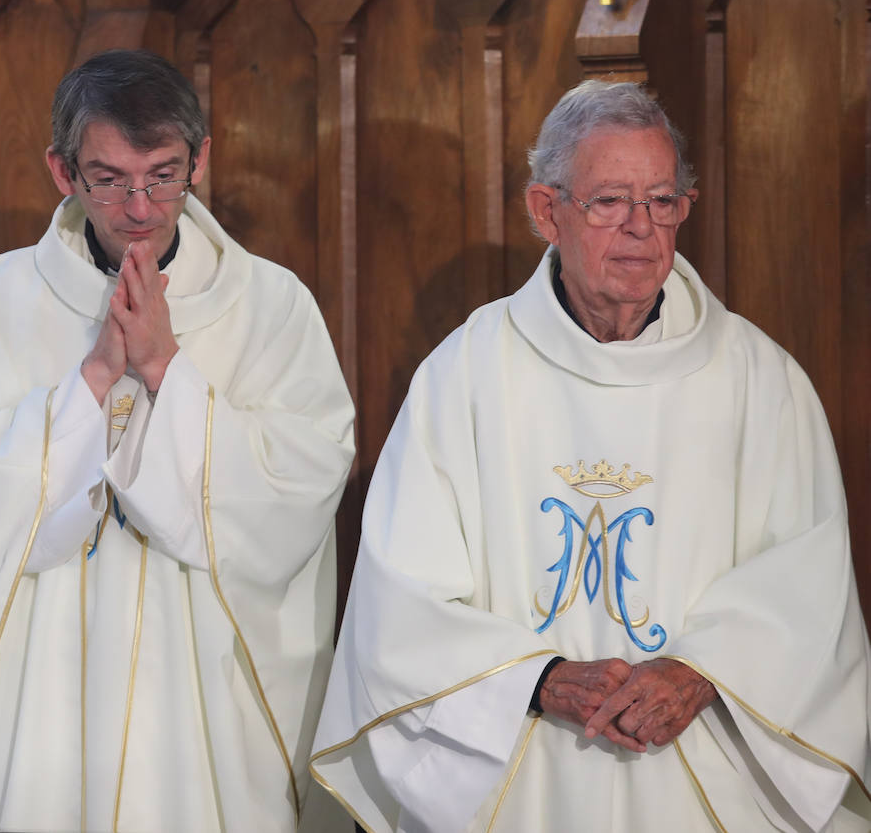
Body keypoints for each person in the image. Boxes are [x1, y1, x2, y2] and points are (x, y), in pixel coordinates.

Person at [311, 79, 871, 831]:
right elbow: (401, 597)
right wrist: (537, 681)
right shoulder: (467, 374)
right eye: (609, 201)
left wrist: (702, 672)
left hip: (700, 768)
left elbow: (808, 583)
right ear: (547, 212)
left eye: (662, 201)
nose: (640, 229)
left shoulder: (759, 380)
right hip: (525, 766)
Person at [0, 49, 355, 832]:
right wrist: (96, 380)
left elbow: (302, 481)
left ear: (200, 160)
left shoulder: (272, 305)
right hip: (40, 683)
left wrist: (169, 371)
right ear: (62, 172)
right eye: (108, 178)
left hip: (199, 688)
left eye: (163, 174)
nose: (140, 206)